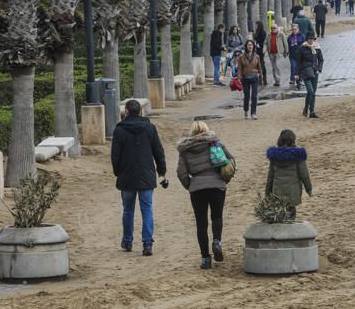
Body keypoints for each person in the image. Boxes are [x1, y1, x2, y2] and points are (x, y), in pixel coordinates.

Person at [176, 121, 235, 269]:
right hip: (217, 185)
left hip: (197, 188)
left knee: (201, 223)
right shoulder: (214, 143)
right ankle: (217, 241)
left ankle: (205, 259)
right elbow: (231, 161)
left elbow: (181, 172)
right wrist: (224, 179)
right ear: (206, 130)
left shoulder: (185, 150)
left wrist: (190, 185)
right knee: (217, 216)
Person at [111, 99, 167, 256]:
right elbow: (158, 152)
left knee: (128, 210)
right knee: (147, 209)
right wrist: (161, 171)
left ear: (126, 111)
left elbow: (115, 156)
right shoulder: (149, 128)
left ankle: (127, 240)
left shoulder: (119, 130)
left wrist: (118, 172)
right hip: (146, 174)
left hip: (126, 175)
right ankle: (147, 242)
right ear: (140, 111)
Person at [265, 129, 313, 220]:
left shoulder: (274, 156)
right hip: (292, 193)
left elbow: (270, 177)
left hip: (277, 193)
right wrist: (309, 189)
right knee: (291, 215)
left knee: (279, 216)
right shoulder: (298, 155)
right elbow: (304, 175)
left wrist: (267, 194)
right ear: (293, 140)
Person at [298, 33, 324, 118]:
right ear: (307, 39)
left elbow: (321, 59)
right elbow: (299, 61)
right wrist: (299, 72)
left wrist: (319, 68)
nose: (311, 40)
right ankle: (306, 108)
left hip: (315, 72)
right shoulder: (302, 48)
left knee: (313, 93)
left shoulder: (317, 48)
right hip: (306, 72)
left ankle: (312, 111)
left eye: (312, 39)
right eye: (310, 39)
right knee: (310, 91)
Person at [237, 39, 263, 119]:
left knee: (254, 96)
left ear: (253, 46)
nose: (250, 46)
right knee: (247, 96)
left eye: (251, 45)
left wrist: (261, 77)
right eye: (248, 45)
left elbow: (260, 68)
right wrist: (239, 77)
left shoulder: (257, 56)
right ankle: (246, 110)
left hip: (254, 77)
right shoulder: (241, 57)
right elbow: (239, 68)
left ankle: (253, 113)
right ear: (246, 46)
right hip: (245, 78)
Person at [287, 23, 305, 89]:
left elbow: (304, 45)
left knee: (299, 68)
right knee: (293, 67)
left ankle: (300, 80)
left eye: (295, 29)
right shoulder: (289, 37)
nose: (294, 31)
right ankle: (292, 79)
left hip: (300, 55)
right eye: (293, 29)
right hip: (292, 55)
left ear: (298, 29)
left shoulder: (302, 36)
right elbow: (288, 45)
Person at [253, 21, 268, 86]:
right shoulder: (256, 32)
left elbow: (264, 41)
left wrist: (259, 45)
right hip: (257, 50)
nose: (255, 26)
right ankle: (262, 79)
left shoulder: (263, 32)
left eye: (256, 25)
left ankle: (262, 79)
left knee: (261, 64)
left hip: (261, 50)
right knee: (260, 64)